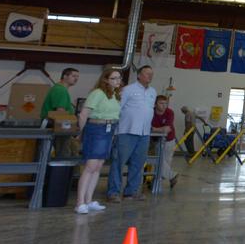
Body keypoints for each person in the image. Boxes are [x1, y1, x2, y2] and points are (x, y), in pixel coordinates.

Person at [74, 66, 120, 214]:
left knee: (98, 167)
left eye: (119, 78)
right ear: (105, 80)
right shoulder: (97, 93)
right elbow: (84, 114)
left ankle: (89, 200)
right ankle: (80, 202)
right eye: (114, 78)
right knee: (90, 166)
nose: (117, 81)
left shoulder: (114, 95)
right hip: (96, 129)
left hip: (109, 129)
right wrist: (81, 133)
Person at [107, 64, 156, 202]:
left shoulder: (153, 92)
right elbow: (118, 108)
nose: (150, 76)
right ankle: (113, 192)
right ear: (139, 75)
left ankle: (131, 191)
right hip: (126, 131)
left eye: (151, 74)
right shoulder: (127, 90)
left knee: (138, 163)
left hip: (144, 133)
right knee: (119, 163)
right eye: (147, 73)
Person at [41, 67, 79, 157]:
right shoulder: (60, 90)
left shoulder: (61, 89)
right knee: (63, 152)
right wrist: (72, 126)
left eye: (77, 76)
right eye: (74, 76)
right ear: (65, 76)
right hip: (59, 126)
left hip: (58, 125)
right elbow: (60, 113)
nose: (76, 78)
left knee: (69, 150)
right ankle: (61, 170)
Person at [151, 95, 179, 189]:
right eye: (161, 103)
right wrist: (160, 129)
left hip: (169, 140)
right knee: (159, 160)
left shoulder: (169, 112)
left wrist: (154, 129)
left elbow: (167, 129)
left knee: (165, 162)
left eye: (165, 103)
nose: (164, 106)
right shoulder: (151, 112)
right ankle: (172, 176)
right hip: (155, 140)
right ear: (155, 104)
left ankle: (157, 181)